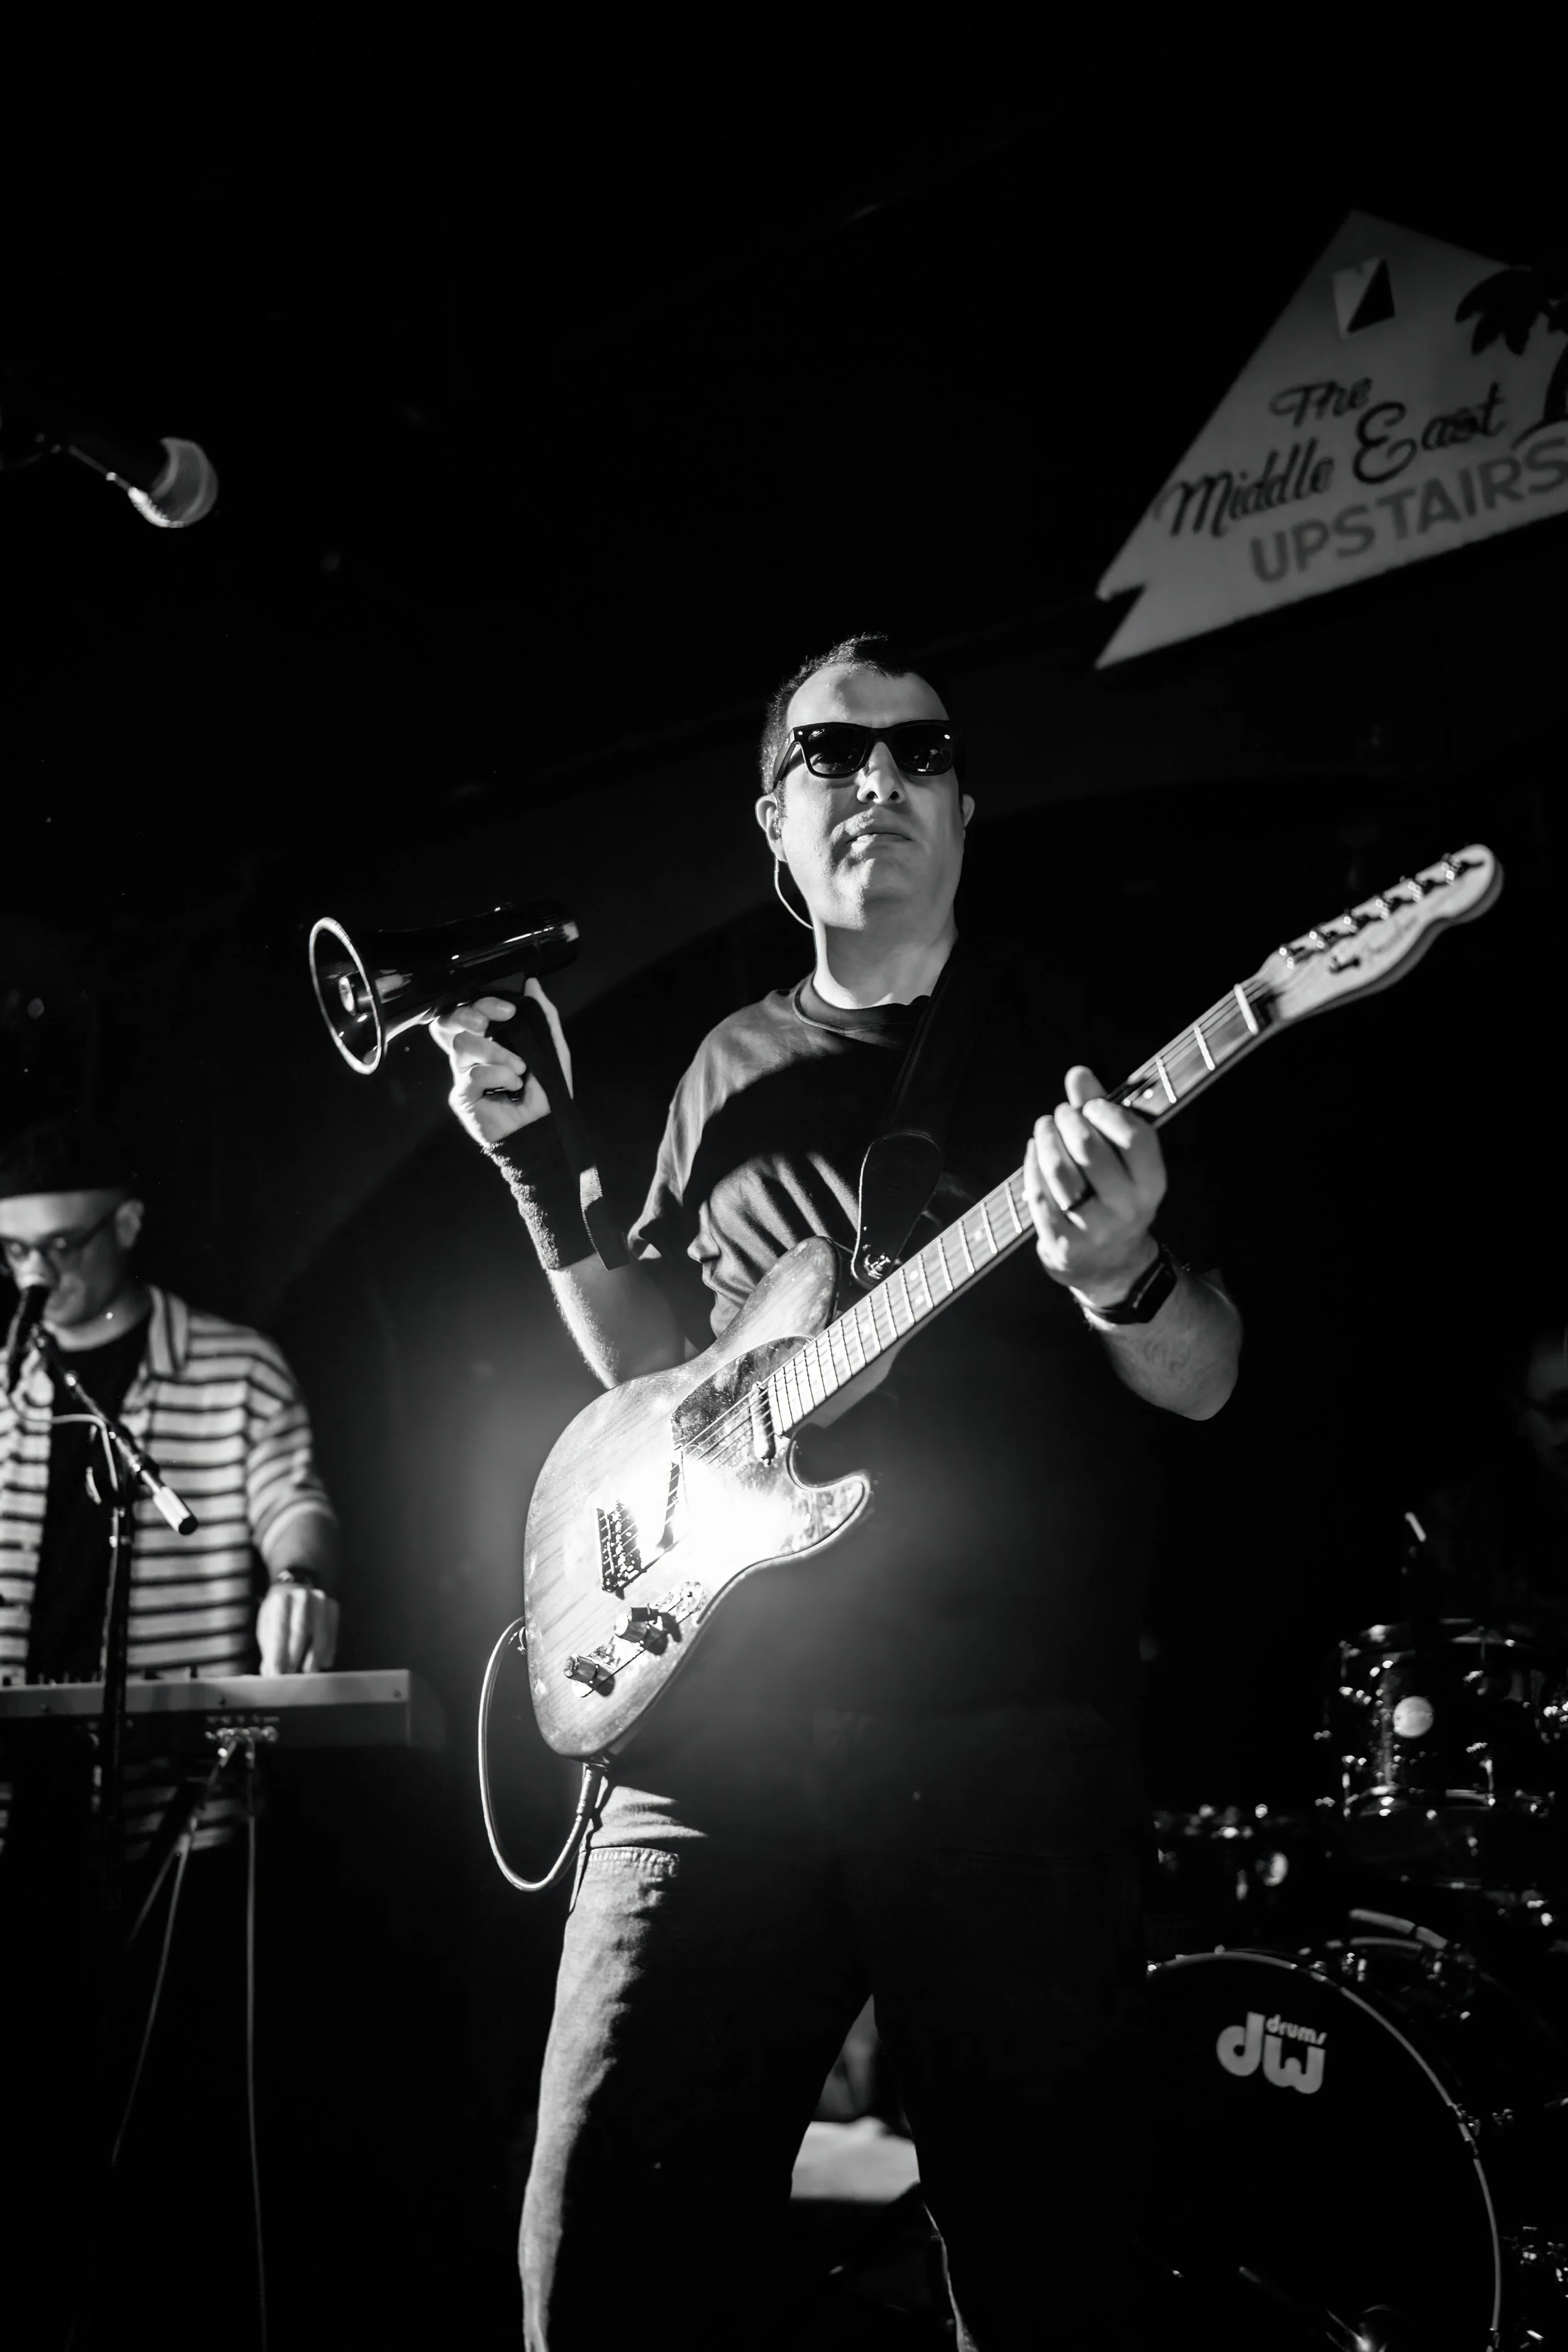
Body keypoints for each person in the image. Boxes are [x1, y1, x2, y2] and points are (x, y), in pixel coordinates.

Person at [433, 635, 1242, 2349]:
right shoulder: (724, 1065)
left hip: (999, 1733)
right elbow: (651, 1373)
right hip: (708, 1739)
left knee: (1048, 2275)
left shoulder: (1083, 1052)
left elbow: (1207, 1371)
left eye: (919, 752)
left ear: (963, 809)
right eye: (830, 754)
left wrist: (1118, 1273)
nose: (877, 778)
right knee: (595, 2251)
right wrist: (531, 1166)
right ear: (772, 824)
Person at [0, 1115, 340, 2347]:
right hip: (19, 1805)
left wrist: (300, 1579)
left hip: (175, 1810)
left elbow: (293, 1500)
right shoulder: (5, 1375)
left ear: (130, 1225)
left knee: (166, 2132)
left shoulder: (235, 1366)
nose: (37, 1276)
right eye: (14, 1255)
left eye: (62, 1246)